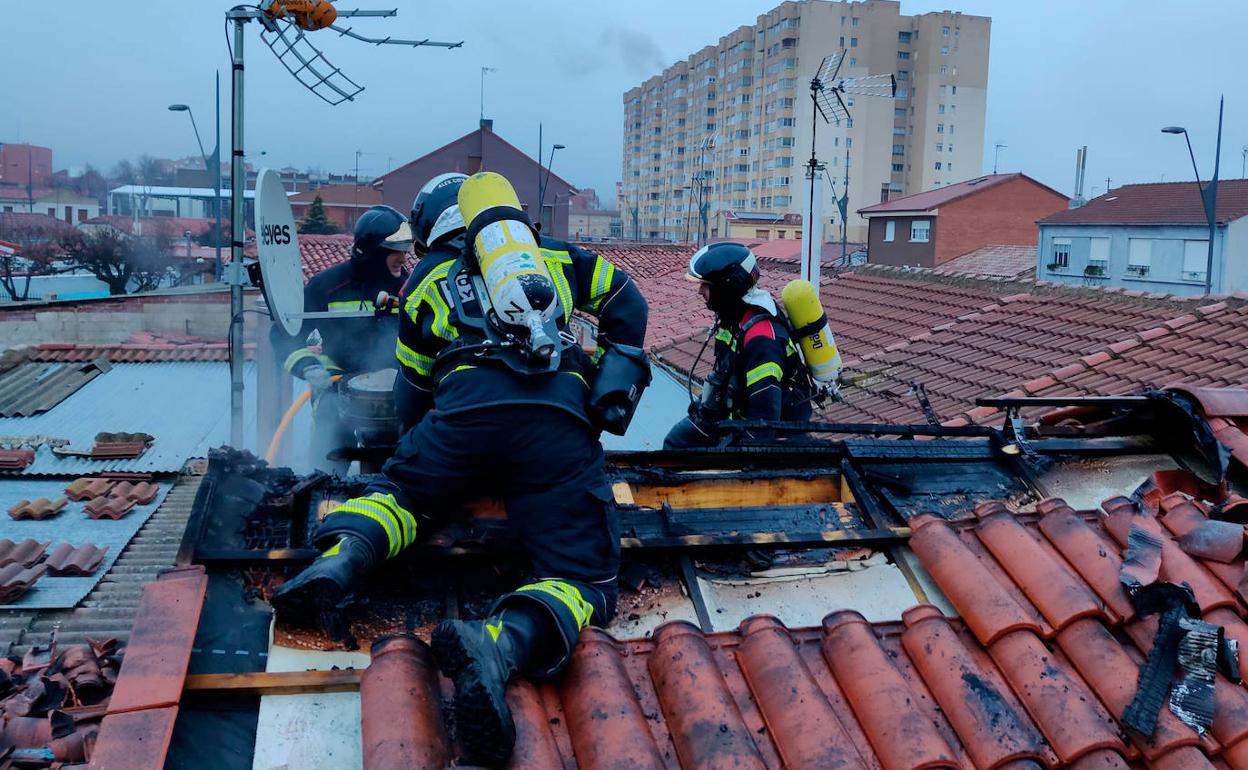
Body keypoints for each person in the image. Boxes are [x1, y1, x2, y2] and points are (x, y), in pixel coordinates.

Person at [272, 171, 649, 767]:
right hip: (557, 426)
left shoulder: (427, 278)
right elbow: (630, 301)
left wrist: (434, 452)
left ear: (428, 230)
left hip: (463, 416)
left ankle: (341, 558)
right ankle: (500, 642)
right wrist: (616, 369)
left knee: (398, 493)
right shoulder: (560, 257)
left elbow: (411, 390)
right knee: (585, 577)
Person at [272, 204, 411, 471]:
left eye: (405, 249)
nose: (404, 258)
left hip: (390, 401)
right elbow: (283, 334)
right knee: (327, 474)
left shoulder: (409, 288)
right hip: (335, 393)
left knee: (383, 477)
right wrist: (308, 367)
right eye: (396, 250)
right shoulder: (328, 286)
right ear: (372, 253)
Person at [664, 241, 814, 448]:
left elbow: (762, 423)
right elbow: (725, 374)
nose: (700, 291)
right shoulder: (733, 320)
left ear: (727, 286)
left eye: (705, 285)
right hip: (735, 422)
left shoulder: (762, 339)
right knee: (676, 442)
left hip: (769, 438)